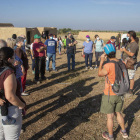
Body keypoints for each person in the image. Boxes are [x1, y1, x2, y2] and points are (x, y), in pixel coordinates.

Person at [98, 44, 128, 140]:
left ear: (106, 54)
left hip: (110, 94)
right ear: (115, 52)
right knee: (118, 113)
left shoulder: (108, 65)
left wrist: (101, 61)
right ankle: (124, 132)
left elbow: (100, 74)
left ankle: (110, 136)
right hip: (121, 92)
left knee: (110, 116)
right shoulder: (122, 62)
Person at [0, 47, 26, 140]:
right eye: (13, 57)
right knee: (12, 137)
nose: (14, 58)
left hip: (2, 109)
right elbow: (10, 96)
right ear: (8, 59)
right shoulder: (8, 72)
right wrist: (22, 105)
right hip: (10, 109)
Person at [120, 31, 139, 96]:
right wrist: (122, 50)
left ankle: (130, 91)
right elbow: (126, 51)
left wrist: (125, 50)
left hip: (131, 63)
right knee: (126, 76)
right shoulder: (129, 43)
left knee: (131, 77)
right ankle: (126, 88)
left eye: (128, 36)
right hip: (125, 61)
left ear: (132, 37)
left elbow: (131, 54)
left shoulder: (134, 45)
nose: (127, 37)